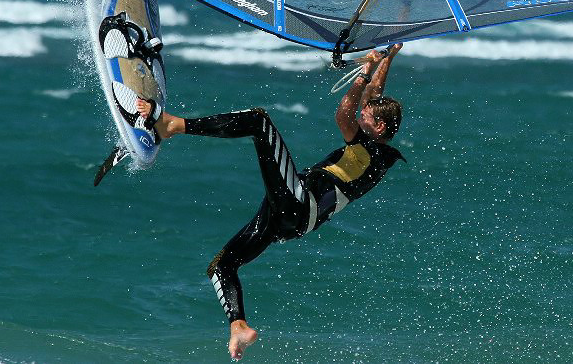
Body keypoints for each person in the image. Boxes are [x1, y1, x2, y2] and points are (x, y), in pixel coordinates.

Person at [136, 44, 405, 360]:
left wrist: (361, 77)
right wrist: (385, 60)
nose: (362, 115)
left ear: (380, 127)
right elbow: (374, 97)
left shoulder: (365, 151)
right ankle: (238, 326)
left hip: (300, 202)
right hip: (292, 223)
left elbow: (344, 113)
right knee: (222, 265)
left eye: (367, 116)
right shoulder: (377, 153)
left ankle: (171, 126)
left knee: (258, 121)